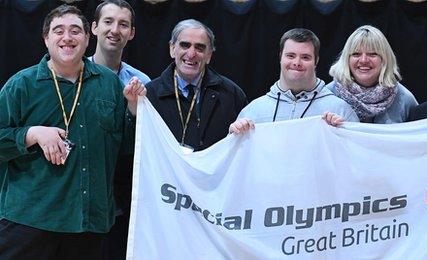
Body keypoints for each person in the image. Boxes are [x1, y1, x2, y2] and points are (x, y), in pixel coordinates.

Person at [0, 5, 145, 259]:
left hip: (88, 222)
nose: (67, 37)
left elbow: (126, 147)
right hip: (31, 220)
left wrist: (133, 111)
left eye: (75, 31)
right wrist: (31, 134)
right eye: (59, 31)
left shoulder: (108, 83)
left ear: (88, 38)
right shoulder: (21, 85)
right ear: (46, 38)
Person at [88, 1, 150, 259]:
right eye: (108, 22)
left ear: (132, 33)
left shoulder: (143, 83)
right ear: (94, 27)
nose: (115, 29)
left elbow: (144, 143)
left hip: (120, 200)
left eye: (123, 24)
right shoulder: (72, 72)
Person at [229, 28, 357, 134]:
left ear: (316, 61)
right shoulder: (253, 111)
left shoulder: (340, 111)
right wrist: (233, 137)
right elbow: (234, 158)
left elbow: (357, 158)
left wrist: (342, 134)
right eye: (290, 56)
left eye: (305, 57)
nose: (296, 63)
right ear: (280, 57)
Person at [146, 19, 247, 152]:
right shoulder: (150, 94)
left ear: (209, 55)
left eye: (199, 48)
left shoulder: (231, 94)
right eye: (185, 45)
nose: (191, 54)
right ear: (172, 49)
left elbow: (244, 147)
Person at [326, 25, 418, 123]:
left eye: (372, 54)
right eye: (356, 54)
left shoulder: (405, 99)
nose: (363, 60)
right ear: (346, 59)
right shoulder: (328, 95)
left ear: (385, 59)